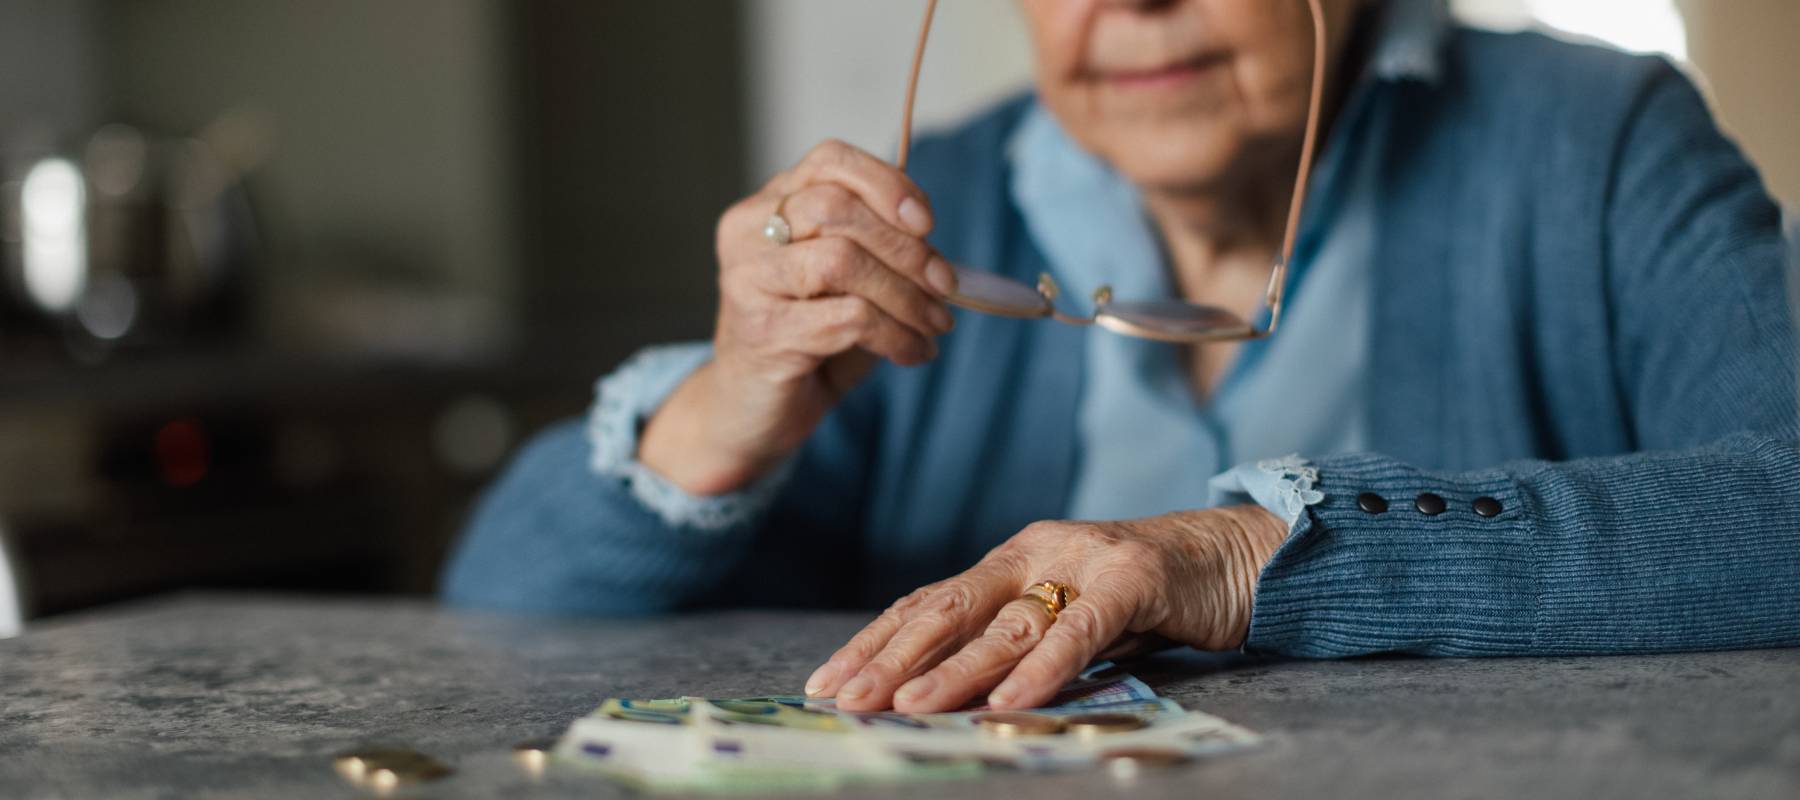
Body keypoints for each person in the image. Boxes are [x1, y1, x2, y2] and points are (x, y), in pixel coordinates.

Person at [441, 0, 1800, 715]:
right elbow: (500, 616)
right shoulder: (935, 206)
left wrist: (1234, 555)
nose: (1132, 1)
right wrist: (727, 405)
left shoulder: (1598, 142)